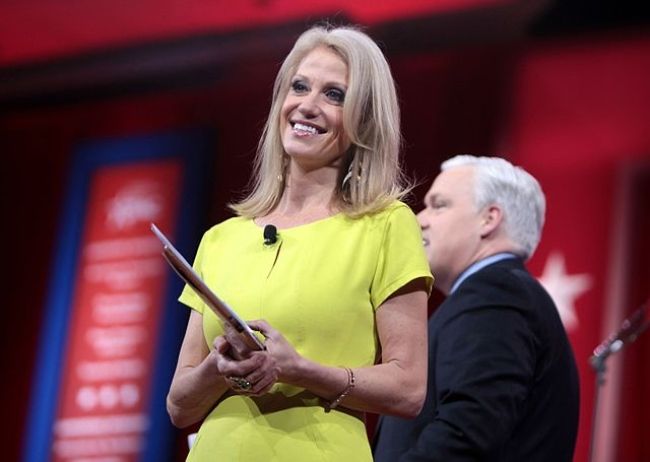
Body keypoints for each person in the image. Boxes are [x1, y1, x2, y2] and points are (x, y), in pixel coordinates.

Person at [165, 25, 433, 461]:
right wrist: (222, 366)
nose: (307, 106)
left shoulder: (386, 225)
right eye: (300, 87)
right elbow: (179, 406)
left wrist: (300, 371)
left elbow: (408, 390)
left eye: (334, 95)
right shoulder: (221, 239)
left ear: (363, 118)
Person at [373, 155, 580, 461]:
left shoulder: (496, 294)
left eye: (439, 205)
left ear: (489, 219)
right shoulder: (496, 293)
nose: (420, 219)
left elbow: (467, 430)